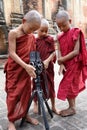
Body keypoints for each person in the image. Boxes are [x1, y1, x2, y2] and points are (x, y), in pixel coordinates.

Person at [4, 10, 41, 130]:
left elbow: (32, 51)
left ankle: (25, 115)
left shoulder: (30, 36)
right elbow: (12, 53)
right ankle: (11, 120)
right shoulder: (13, 33)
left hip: (26, 71)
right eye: (31, 28)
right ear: (24, 21)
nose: (32, 32)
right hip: (15, 70)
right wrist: (25, 66)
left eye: (35, 30)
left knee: (26, 94)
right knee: (13, 95)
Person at [56, 10, 87, 117]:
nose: (61, 28)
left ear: (70, 21)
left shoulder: (76, 32)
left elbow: (76, 51)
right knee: (68, 85)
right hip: (66, 65)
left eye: (63, 25)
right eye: (59, 26)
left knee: (70, 85)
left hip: (74, 64)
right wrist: (61, 63)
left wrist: (62, 59)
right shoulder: (59, 36)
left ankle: (72, 108)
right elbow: (59, 50)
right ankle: (71, 107)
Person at [33, 18, 59, 115]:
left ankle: (53, 106)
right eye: (42, 31)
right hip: (38, 67)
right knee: (36, 85)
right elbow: (32, 53)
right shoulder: (34, 40)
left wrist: (47, 61)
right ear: (37, 29)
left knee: (51, 85)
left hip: (48, 67)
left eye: (46, 31)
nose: (44, 33)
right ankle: (35, 103)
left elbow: (53, 52)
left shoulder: (50, 39)